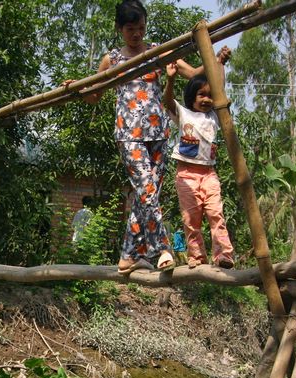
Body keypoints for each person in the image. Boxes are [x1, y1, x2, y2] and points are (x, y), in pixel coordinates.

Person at [65, 0, 229, 274]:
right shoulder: (113, 60)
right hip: (129, 135)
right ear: (120, 28)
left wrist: (216, 61)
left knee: (146, 196)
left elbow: (195, 75)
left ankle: (128, 256)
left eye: (140, 28)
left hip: (159, 134)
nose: (136, 34)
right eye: (130, 29)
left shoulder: (159, 52)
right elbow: (94, 96)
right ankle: (161, 248)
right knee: (147, 192)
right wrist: (75, 90)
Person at [163, 58, 235, 269]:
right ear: (191, 96)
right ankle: (197, 256)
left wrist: (221, 64)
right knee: (190, 219)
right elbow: (167, 101)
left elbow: (219, 88)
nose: (207, 99)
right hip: (186, 175)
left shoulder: (214, 116)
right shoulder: (184, 114)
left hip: (209, 174)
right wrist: (170, 80)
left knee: (216, 214)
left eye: (210, 96)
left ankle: (223, 255)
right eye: (201, 94)